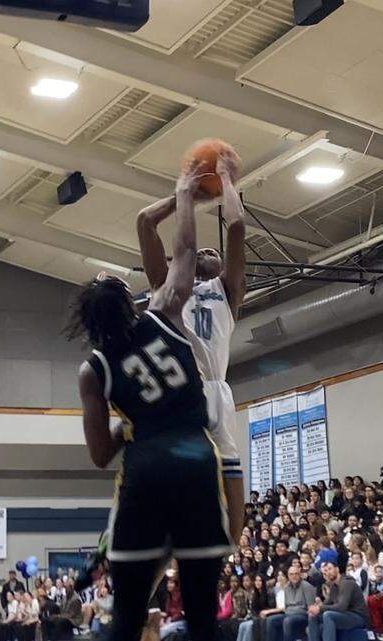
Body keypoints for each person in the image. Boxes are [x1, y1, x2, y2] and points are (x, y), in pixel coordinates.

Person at [70, 156, 231, 641]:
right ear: (128, 300)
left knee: (127, 616)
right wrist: (185, 193)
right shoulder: (162, 311)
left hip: (144, 473)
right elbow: (183, 251)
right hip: (197, 462)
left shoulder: (92, 369)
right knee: (203, 616)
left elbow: (100, 455)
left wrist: (130, 425)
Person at [136, 146, 246, 543]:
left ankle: (232, 543)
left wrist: (227, 180)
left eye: (214, 253)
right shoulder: (168, 288)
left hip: (216, 385)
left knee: (230, 463)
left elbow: (235, 228)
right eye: (202, 249)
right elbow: (145, 223)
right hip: (180, 385)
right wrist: (187, 193)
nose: (208, 251)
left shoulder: (229, 290)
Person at [307, 561, 368, 641]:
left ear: (337, 569)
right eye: (326, 571)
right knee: (313, 615)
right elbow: (325, 604)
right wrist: (315, 608)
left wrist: (320, 607)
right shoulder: (334, 587)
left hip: (358, 616)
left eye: (330, 569)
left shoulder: (347, 583)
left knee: (328, 615)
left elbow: (342, 606)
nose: (328, 572)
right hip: (345, 615)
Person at [260, 564, 314, 641]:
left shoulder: (306, 586)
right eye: (291, 574)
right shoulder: (287, 587)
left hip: (302, 615)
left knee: (287, 621)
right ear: (288, 576)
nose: (294, 576)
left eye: (296, 574)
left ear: (300, 575)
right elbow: (286, 606)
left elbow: (310, 608)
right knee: (271, 620)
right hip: (288, 614)